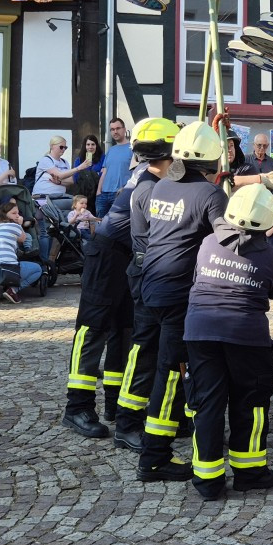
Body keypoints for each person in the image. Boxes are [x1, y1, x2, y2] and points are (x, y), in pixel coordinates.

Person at [65, 118, 178, 441]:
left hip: (126, 257)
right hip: (107, 254)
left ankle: (115, 404)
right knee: (92, 328)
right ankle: (77, 407)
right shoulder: (150, 180)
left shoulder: (155, 175)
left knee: (123, 330)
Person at [132, 121, 227, 481]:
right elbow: (226, 239)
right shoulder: (210, 195)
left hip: (150, 286)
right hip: (179, 293)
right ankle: (153, 457)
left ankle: (190, 426)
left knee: (168, 365)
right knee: (170, 374)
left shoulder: (161, 186)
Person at [183, 184, 273, 500]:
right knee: (251, 402)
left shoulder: (207, 243)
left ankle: (208, 479)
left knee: (208, 403)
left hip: (200, 331)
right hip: (246, 336)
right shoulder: (271, 256)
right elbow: (266, 290)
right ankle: (250, 472)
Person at [111, 119, 183, 451]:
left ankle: (173, 415)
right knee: (145, 353)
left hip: (148, 273)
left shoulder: (149, 182)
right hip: (150, 275)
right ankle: (127, 423)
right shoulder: (154, 189)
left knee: (158, 350)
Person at [0, 199, 43, 301]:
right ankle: (12, 290)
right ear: (5, 215)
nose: (17, 216)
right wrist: (20, 224)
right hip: (2, 271)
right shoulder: (14, 226)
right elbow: (23, 239)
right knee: (37, 269)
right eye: (14, 213)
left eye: (18, 213)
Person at [96, 118, 135, 216]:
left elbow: (136, 172)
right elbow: (105, 172)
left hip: (120, 194)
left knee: (116, 227)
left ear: (124, 129)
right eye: (112, 129)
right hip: (103, 195)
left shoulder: (132, 149)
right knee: (100, 226)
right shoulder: (111, 150)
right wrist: (98, 191)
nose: (115, 131)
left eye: (118, 128)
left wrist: (125, 188)